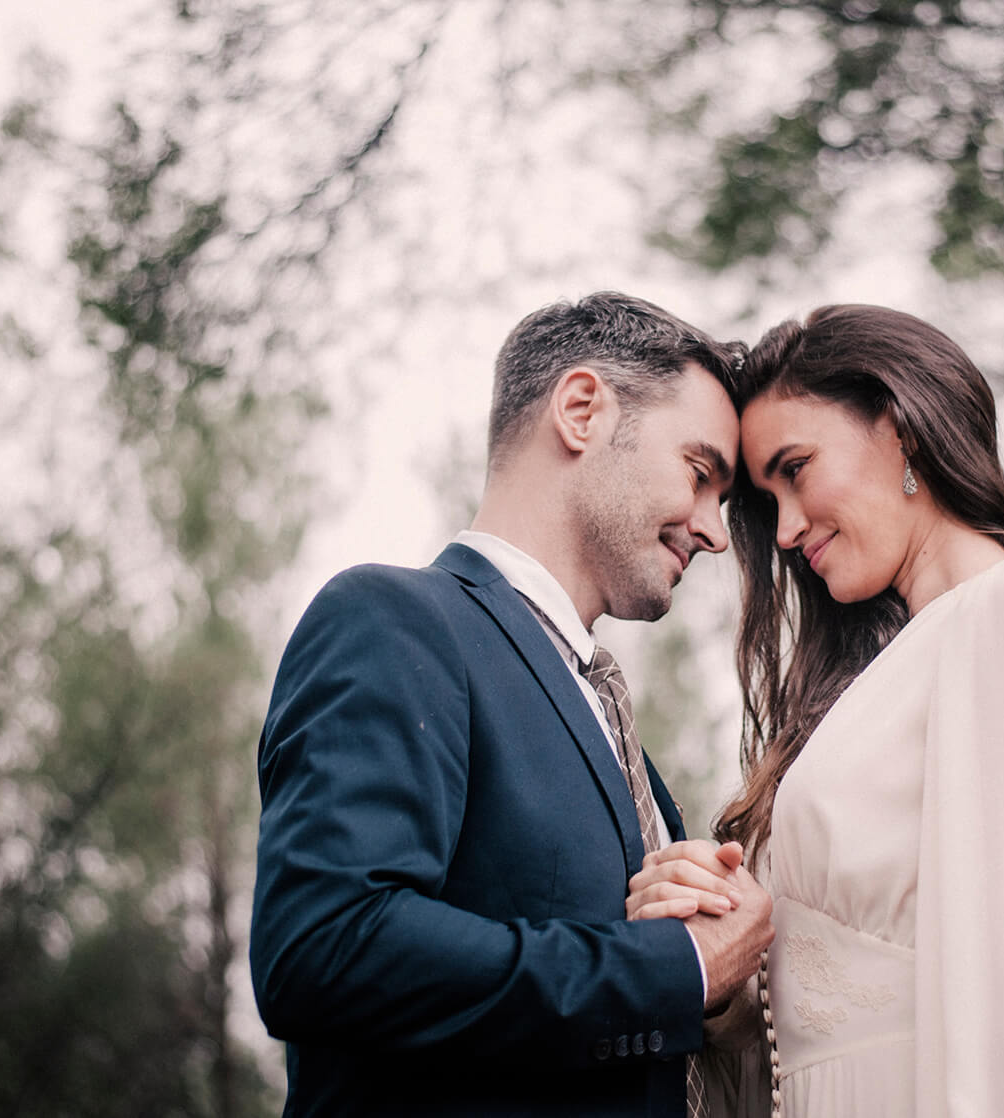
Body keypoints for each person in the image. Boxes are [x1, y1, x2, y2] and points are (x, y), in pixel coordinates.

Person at [627, 305, 1004, 1116]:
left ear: (899, 429)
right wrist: (717, 950)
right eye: (767, 499)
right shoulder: (873, 688)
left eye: (797, 469)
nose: (782, 532)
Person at [250, 292, 775, 1118]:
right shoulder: (395, 621)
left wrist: (706, 954)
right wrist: (679, 968)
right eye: (701, 473)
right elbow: (327, 948)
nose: (714, 530)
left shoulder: (619, 734)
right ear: (580, 410)